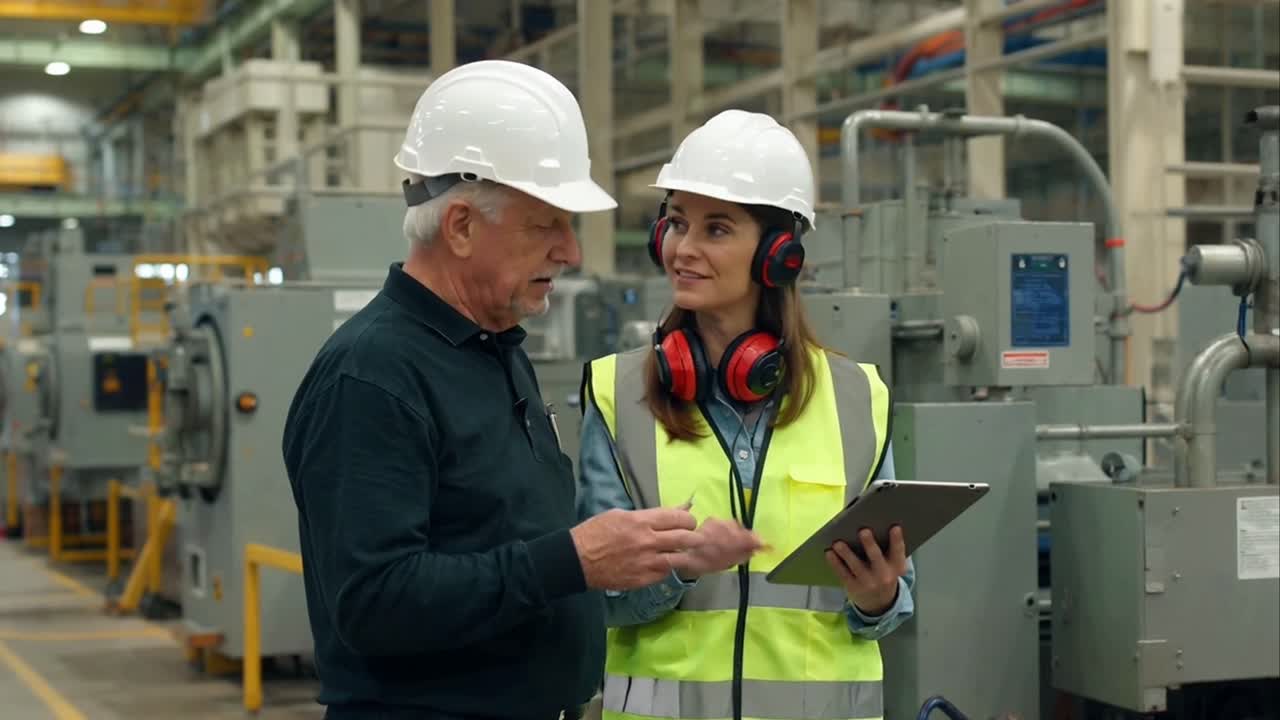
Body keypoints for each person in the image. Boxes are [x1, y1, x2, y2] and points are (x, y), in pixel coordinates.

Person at [282, 60, 709, 720]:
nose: (569, 251)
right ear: (460, 226)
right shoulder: (371, 376)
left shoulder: (492, 350)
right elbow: (373, 602)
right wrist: (573, 559)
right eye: (546, 225)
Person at [576, 110, 916, 720]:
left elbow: (891, 608)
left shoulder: (857, 399)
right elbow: (592, 601)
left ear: (779, 256)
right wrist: (681, 568)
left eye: (717, 229)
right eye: (677, 222)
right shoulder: (618, 394)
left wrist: (878, 596)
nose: (684, 249)